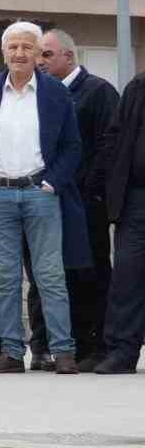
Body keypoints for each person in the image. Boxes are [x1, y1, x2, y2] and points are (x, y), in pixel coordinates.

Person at [0, 21, 87, 375]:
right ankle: (11, 353)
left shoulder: (55, 93)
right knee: (5, 279)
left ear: (38, 54)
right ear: (4, 52)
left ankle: (63, 352)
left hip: (40, 195)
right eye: (13, 47)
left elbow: (71, 146)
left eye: (27, 47)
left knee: (50, 276)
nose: (19, 53)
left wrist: (51, 184)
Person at [18, 30, 118, 370]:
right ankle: (44, 345)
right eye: (38, 55)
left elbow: (108, 146)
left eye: (47, 55)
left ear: (69, 57)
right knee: (42, 274)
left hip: (83, 202)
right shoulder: (35, 94)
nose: (40, 62)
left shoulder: (98, 92)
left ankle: (94, 344)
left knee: (87, 273)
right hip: (40, 200)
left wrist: (90, 191)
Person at [92, 67, 145, 373]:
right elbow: (114, 135)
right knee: (127, 277)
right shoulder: (138, 85)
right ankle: (122, 351)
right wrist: (100, 185)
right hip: (136, 200)